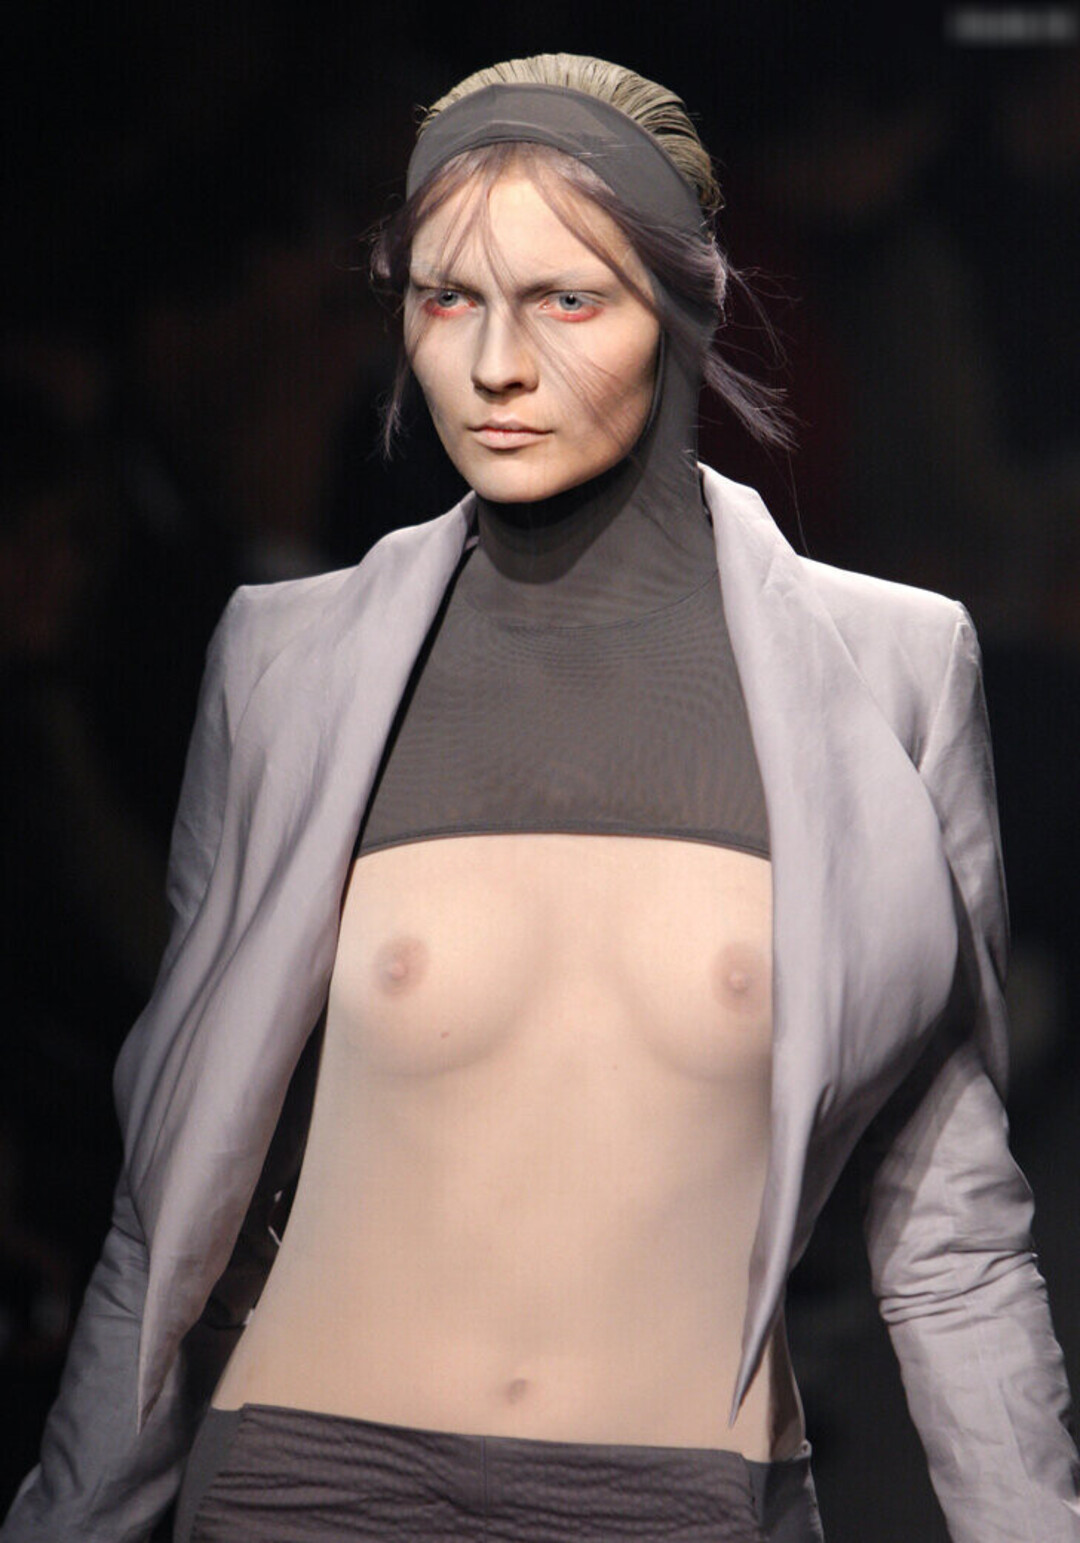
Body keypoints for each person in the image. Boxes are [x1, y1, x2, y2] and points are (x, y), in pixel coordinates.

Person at [3, 52, 1078, 1543]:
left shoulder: (890, 670)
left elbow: (948, 1237)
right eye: (447, 297)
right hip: (305, 1482)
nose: (495, 363)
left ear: (688, 307)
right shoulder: (285, 663)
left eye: (566, 299)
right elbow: (173, 1189)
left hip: (685, 1499)